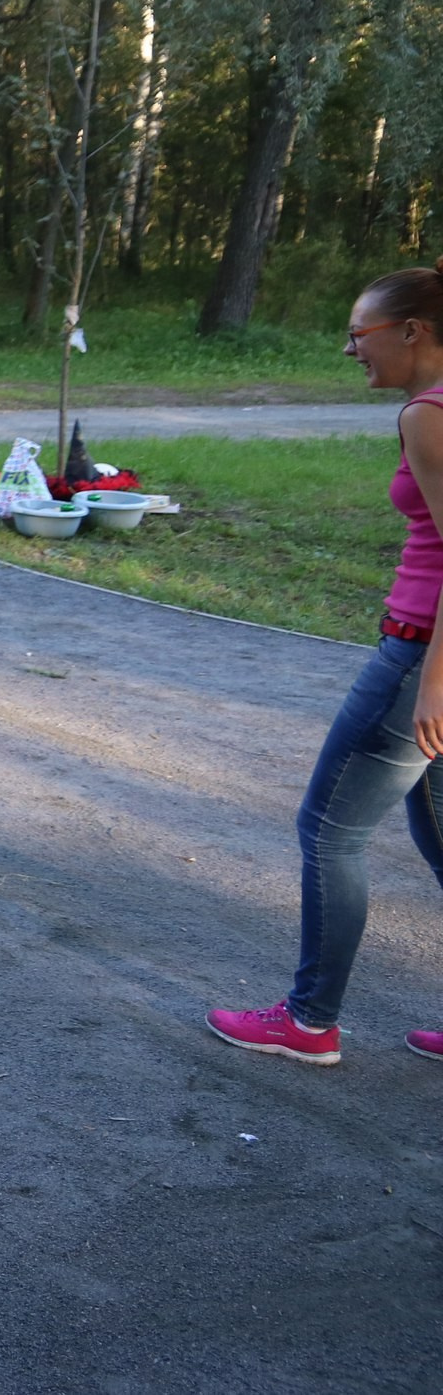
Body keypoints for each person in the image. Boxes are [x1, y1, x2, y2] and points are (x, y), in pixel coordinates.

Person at [206, 267, 443, 1067]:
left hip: (420, 654)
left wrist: (434, 682)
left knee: (328, 827)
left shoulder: (426, 414)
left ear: (411, 330)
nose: (350, 348)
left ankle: (309, 1021)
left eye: (361, 333)